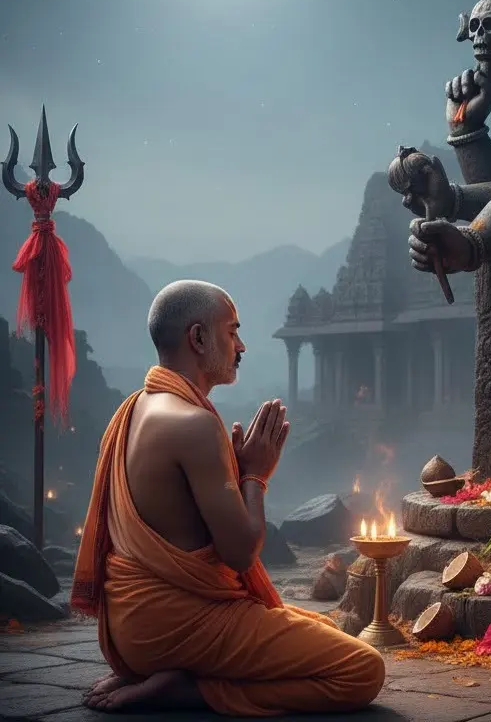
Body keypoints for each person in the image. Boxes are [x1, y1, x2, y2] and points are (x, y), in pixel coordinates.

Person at [72, 279, 385, 715]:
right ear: (198, 338)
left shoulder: (136, 407)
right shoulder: (194, 424)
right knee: (362, 668)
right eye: (232, 331)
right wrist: (256, 475)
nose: (241, 346)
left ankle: (171, 673)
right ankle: (190, 690)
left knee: (320, 624)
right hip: (176, 629)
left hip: (132, 631)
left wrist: (236, 474)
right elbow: (239, 552)